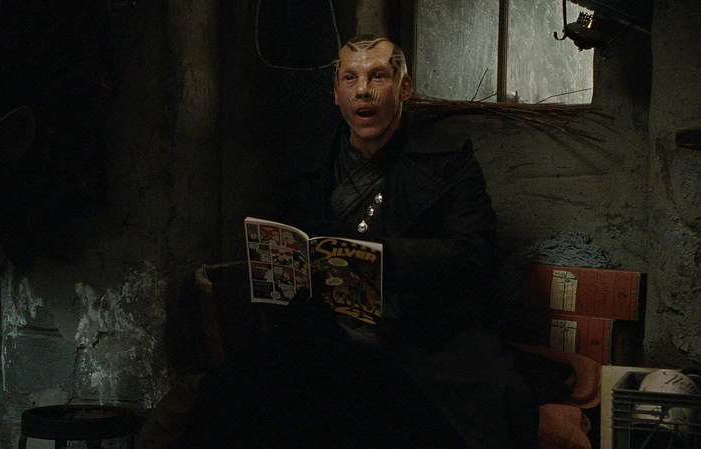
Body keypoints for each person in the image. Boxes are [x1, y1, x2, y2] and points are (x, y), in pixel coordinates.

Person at [147, 35, 539, 449]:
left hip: (415, 337)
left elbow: (475, 256)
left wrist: (379, 257)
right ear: (336, 93)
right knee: (225, 396)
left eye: (378, 76)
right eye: (350, 78)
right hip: (322, 333)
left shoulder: (448, 162)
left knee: (486, 404)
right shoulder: (309, 163)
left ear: (404, 87)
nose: (363, 90)